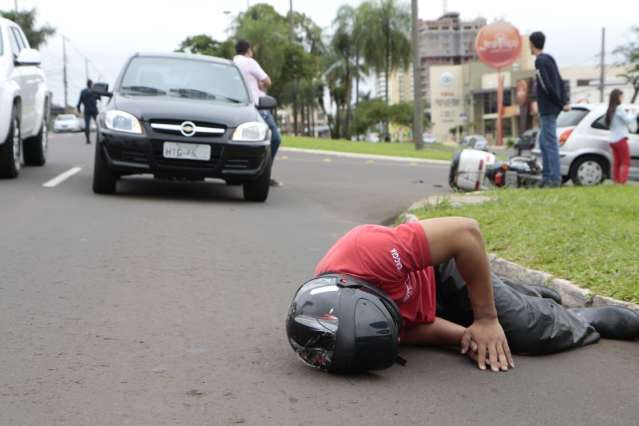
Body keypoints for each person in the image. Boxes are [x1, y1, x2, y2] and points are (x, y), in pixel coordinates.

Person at [287, 218, 639, 374]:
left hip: (443, 272)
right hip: (430, 306)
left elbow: (465, 233)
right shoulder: (345, 322)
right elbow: (409, 331)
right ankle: (527, 295)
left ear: (364, 294)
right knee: (496, 338)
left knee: (527, 331)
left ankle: (590, 318)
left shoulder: (369, 251)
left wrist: (486, 320)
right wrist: (468, 336)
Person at [233, 40, 282, 187]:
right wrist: (260, 84)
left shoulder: (233, 63)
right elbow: (267, 81)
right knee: (274, 138)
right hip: (257, 105)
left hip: (239, 105)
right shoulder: (250, 62)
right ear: (248, 50)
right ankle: (264, 173)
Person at [530, 31, 570, 188]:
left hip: (547, 107)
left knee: (550, 142)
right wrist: (564, 101)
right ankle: (547, 176)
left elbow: (546, 85)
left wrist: (561, 102)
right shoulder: (550, 58)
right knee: (544, 141)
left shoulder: (539, 61)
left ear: (532, 43)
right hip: (553, 107)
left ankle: (553, 178)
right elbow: (560, 81)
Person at [605, 89, 635, 184]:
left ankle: (616, 181)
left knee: (617, 162)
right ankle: (622, 182)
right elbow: (628, 120)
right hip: (620, 139)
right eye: (622, 97)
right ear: (618, 97)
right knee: (626, 162)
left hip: (612, 140)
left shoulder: (610, 109)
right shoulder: (619, 108)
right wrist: (633, 112)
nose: (622, 99)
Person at [76, 79, 99, 145]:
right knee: (98, 124)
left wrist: (79, 109)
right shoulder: (94, 91)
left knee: (87, 125)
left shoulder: (83, 91)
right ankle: (101, 138)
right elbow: (98, 97)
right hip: (94, 109)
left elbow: (79, 101)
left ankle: (88, 139)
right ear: (91, 84)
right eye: (92, 84)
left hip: (87, 110)